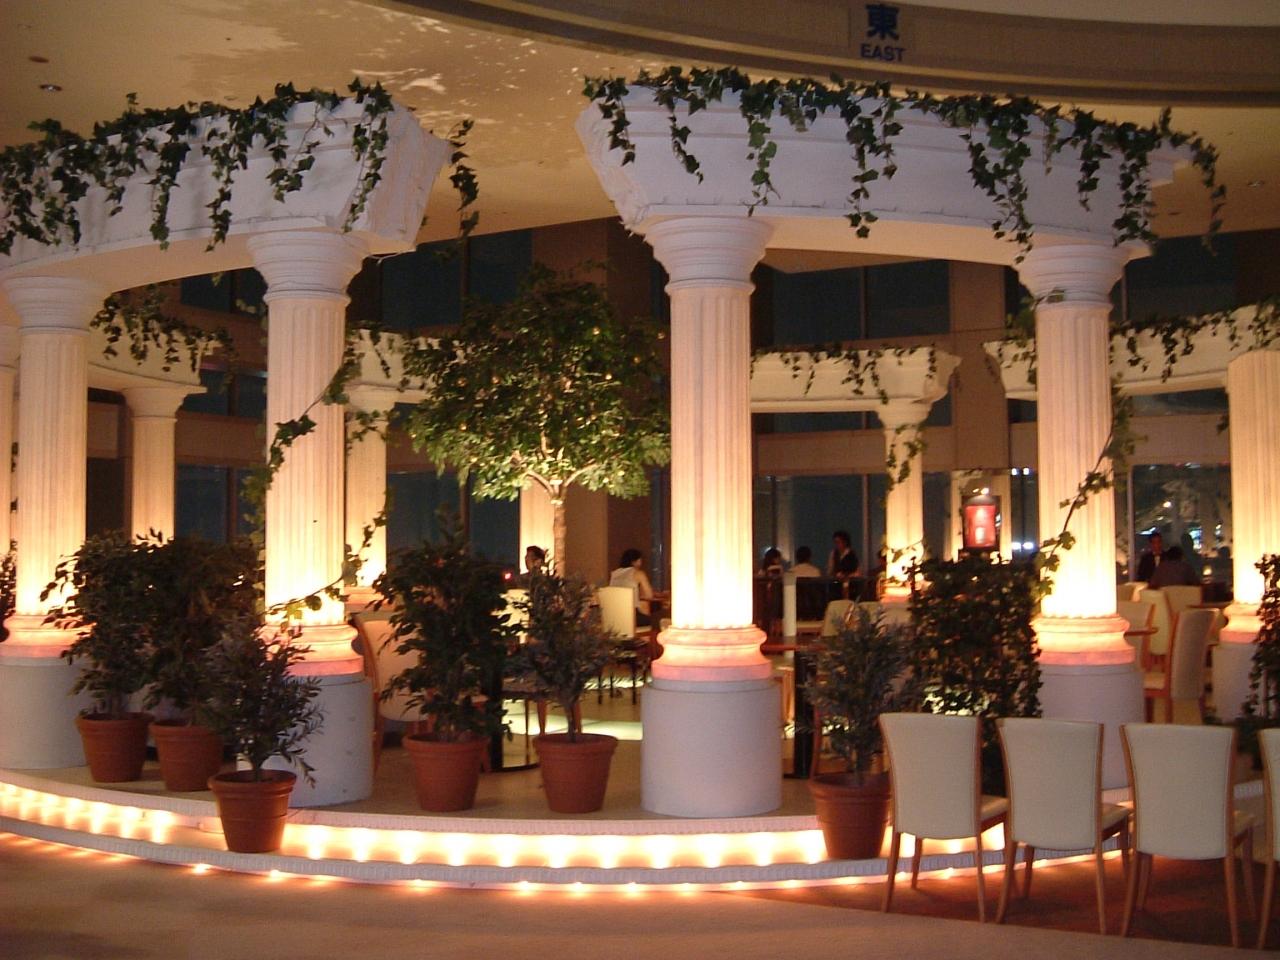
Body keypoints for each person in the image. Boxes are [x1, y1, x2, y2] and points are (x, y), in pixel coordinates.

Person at [609, 548, 654, 626]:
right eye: (640, 560)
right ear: (635, 561)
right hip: (632, 616)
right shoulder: (638, 573)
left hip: (614, 616)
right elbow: (649, 595)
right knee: (657, 619)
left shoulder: (614, 574)